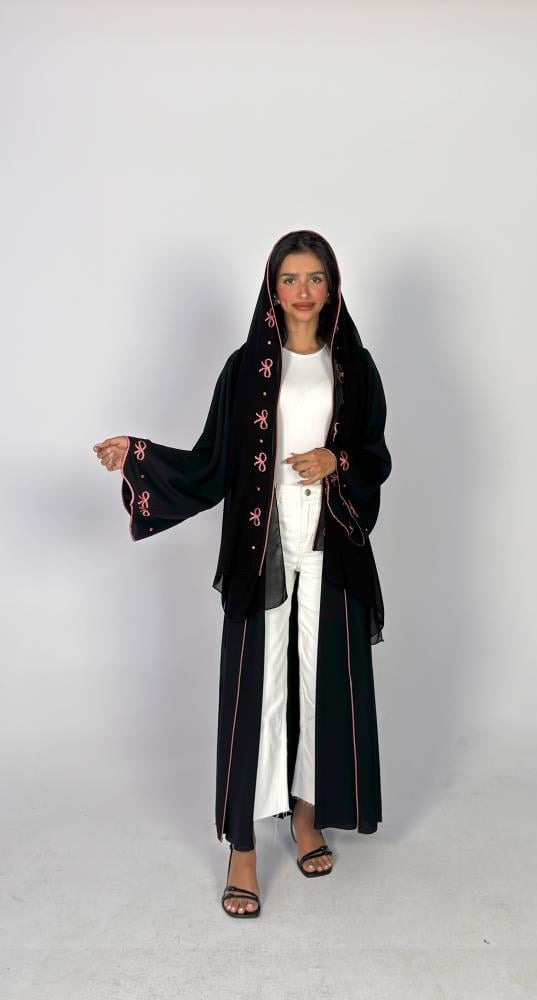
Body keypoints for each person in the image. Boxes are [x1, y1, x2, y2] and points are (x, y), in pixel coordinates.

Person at [93, 229, 392, 918]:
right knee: (258, 689)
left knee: (322, 681)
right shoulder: (246, 368)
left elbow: (376, 454)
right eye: (290, 278)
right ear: (271, 288)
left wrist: (336, 461)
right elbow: (211, 461)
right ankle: (244, 848)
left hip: (333, 539)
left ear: (332, 285)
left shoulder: (354, 365)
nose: (302, 291)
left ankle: (306, 816)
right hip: (264, 542)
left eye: (314, 278)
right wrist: (139, 455)